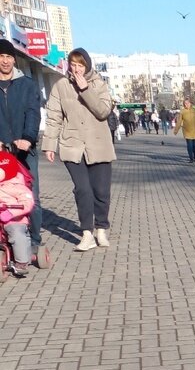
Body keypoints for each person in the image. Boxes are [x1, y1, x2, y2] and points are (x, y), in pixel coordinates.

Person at [42, 47, 115, 252]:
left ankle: (101, 228)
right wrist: (49, 145)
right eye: (73, 65)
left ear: (87, 66)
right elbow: (54, 117)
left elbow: (103, 111)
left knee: (101, 190)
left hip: (98, 144)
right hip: (72, 145)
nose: (76, 69)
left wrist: (86, 90)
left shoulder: (99, 84)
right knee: (82, 189)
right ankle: (87, 233)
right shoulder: (61, 86)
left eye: (80, 65)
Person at [0, 38, 44, 266]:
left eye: (8, 56)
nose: (5, 61)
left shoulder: (27, 84)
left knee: (30, 196)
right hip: (1, 151)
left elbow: (33, 113)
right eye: (1, 56)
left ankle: (34, 240)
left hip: (24, 150)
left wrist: (27, 138)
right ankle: (4, 240)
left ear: (14, 59)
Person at [0, 149, 35, 277]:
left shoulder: (17, 186)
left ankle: (21, 262)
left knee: (16, 234)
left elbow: (27, 203)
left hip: (15, 220)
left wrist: (10, 213)